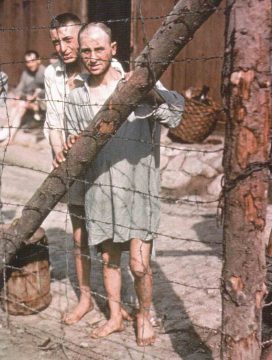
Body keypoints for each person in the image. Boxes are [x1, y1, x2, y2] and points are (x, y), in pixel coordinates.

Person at [59, 22, 184, 346]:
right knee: (107, 259)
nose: (92, 56)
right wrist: (72, 143)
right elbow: (77, 147)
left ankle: (143, 313)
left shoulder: (136, 84)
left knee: (139, 265)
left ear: (113, 49)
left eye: (99, 49)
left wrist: (150, 89)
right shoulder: (76, 96)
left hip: (138, 187)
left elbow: (176, 114)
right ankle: (115, 316)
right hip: (100, 188)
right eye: (86, 50)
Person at [44, 13, 129, 326]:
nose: (63, 48)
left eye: (68, 40)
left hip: (107, 164)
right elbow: (53, 119)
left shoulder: (107, 68)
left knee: (112, 236)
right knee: (79, 235)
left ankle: (120, 303)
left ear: (82, 37)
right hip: (71, 162)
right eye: (56, 42)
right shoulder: (52, 74)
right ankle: (85, 297)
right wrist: (57, 150)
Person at [0, 50, 45, 144]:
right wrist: (19, 95)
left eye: (32, 61)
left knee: (20, 105)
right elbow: (20, 87)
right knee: (18, 105)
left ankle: (7, 135)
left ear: (39, 60)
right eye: (28, 62)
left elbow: (50, 91)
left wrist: (37, 94)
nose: (30, 64)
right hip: (28, 102)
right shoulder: (26, 73)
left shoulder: (44, 72)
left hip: (42, 103)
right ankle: (8, 134)